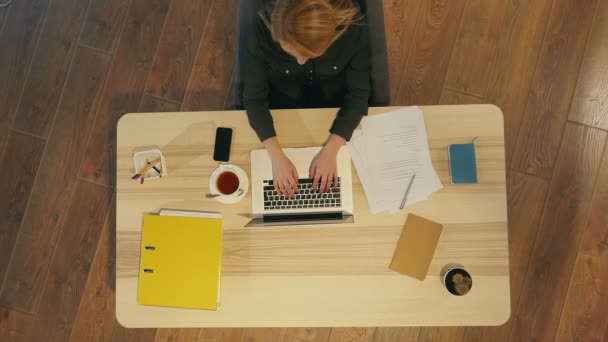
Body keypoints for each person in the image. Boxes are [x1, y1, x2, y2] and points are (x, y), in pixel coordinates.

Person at [244, 0, 370, 197]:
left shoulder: (353, 32)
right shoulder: (261, 32)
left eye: (309, 54)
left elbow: (359, 94)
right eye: (289, 51)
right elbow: (254, 100)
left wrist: (331, 151)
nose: (301, 62)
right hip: (281, 105)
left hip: (335, 105)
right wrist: (276, 157)